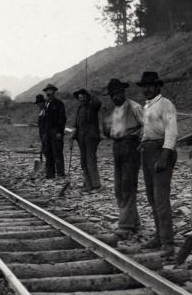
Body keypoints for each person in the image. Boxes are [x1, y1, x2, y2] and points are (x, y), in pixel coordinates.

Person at [137, 72, 178, 256]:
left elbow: (171, 131)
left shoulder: (165, 104)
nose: (147, 89)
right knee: (152, 197)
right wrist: (143, 142)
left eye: (150, 86)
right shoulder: (148, 106)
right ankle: (159, 236)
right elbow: (150, 130)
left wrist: (164, 156)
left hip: (161, 152)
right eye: (144, 86)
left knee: (161, 199)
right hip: (148, 152)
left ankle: (168, 243)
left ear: (158, 87)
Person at [103, 78, 144, 239]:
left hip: (130, 146)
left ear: (123, 92)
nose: (115, 97)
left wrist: (139, 142)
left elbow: (146, 125)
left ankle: (125, 226)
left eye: (117, 93)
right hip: (117, 147)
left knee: (128, 185)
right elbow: (110, 131)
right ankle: (134, 222)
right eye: (112, 95)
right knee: (119, 187)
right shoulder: (114, 111)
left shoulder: (134, 107)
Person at [71, 88, 102, 193]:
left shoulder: (92, 106)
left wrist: (90, 93)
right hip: (81, 139)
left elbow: (98, 103)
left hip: (91, 138)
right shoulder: (80, 108)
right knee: (83, 162)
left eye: (83, 96)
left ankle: (96, 185)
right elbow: (77, 124)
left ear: (87, 97)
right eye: (79, 97)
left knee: (90, 160)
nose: (80, 98)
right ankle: (88, 185)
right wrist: (74, 135)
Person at [41, 84, 67, 178]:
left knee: (58, 152)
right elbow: (44, 119)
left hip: (56, 131)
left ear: (54, 92)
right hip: (48, 132)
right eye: (47, 91)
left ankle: (60, 174)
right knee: (48, 152)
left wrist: (60, 131)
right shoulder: (46, 104)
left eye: (50, 91)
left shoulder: (59, 104)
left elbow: (62, 119)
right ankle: (50, 174)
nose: (48, 92)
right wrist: (44, 133)